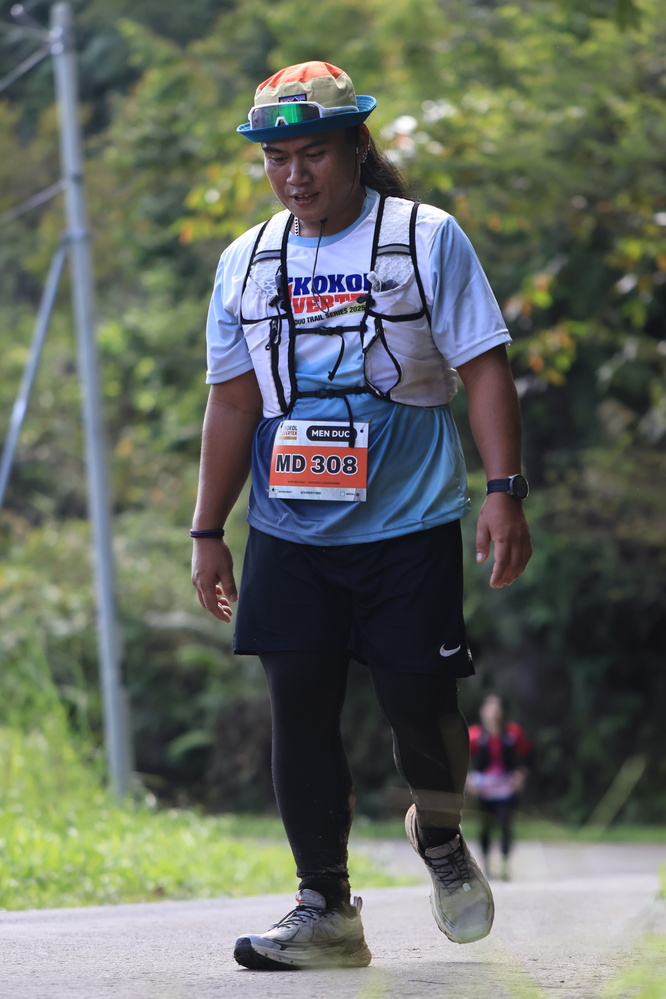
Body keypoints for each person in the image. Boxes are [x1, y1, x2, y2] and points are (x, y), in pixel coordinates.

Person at [191, 60, 532, 971]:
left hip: (409, 527)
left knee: (422, 708)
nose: (294, 174)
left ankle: (441, 835)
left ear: (355, 147)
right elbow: (232, 401)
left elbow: (484, 367)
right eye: (277, 158)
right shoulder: (247, 260)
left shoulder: (426, 238)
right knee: (299, 707)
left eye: (312, 153)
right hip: (289, 530)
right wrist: (207, 530)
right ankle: (325, 908)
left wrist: (504, 490)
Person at [467, 693, 532, 880]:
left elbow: (528, 755)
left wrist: (521, 774)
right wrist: (468, 779)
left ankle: (504, 864)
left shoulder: (512, 733)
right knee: (485, 826)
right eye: (490, 709)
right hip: (483, 788)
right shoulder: (475, 735)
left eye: (497, 709)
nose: (494, 713)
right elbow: (460, 758)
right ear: (482, 711)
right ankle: (486, 865)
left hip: (505, 787)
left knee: (505, 822)